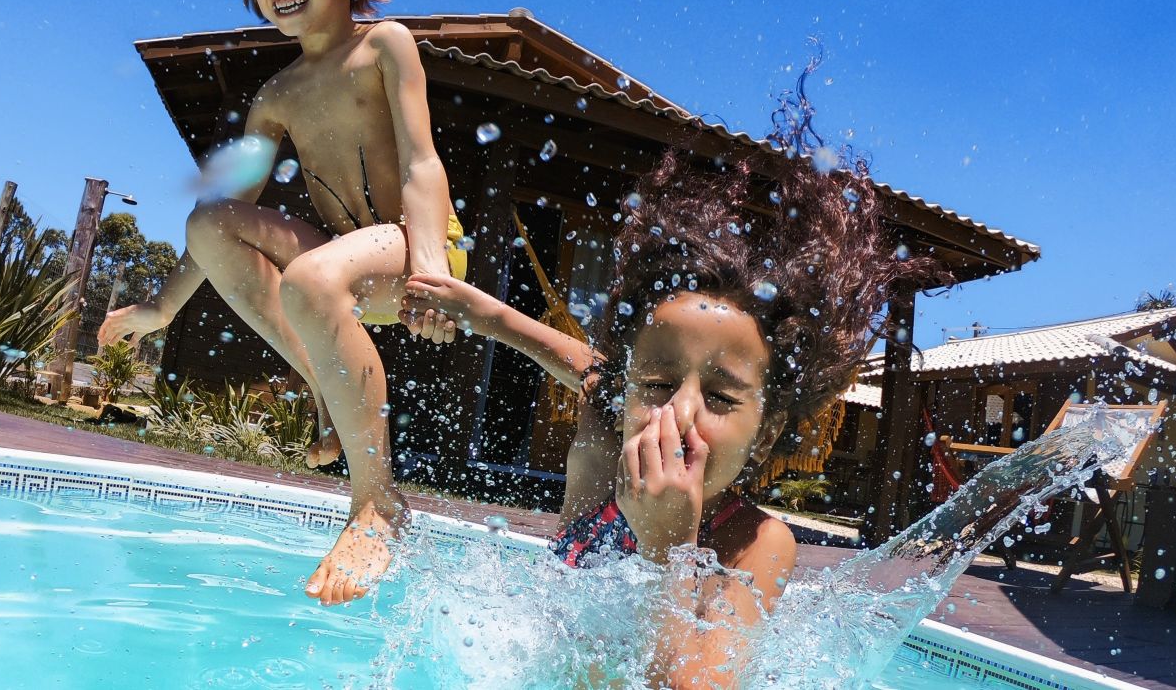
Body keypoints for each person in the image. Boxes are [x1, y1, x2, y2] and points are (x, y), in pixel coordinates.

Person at [400, 140, 946, 686]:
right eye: (659, 384)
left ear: (765, 433)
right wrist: (485, 314)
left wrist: (670, 553)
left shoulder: (757, 544)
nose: (680, 410)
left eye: (721, 397)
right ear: (626, 393)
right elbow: (587, 366)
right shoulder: (604, 461)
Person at [99, 0, 467, 606]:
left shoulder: (385, 44)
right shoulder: (275, 97)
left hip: (421, 250)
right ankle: (325, 383)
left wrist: (430, 265)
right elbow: (225, 223)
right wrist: (161, 309)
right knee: (211, 221)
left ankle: (377, 504)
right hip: (339, 269)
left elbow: (423, 163)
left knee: (313, 274)